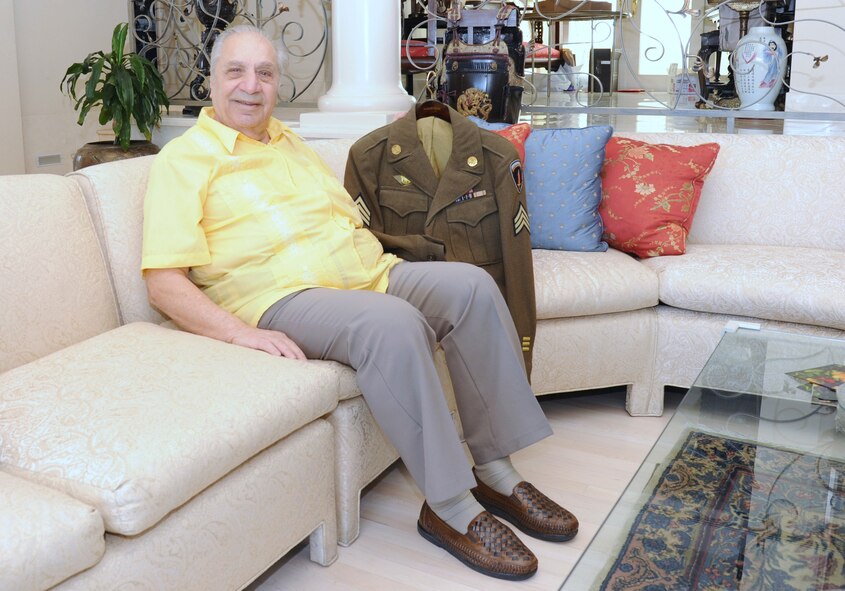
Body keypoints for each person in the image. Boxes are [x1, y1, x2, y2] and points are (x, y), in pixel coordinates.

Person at [141, 24, 577, 581]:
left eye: (265, 73)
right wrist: (239, 334)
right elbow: (163, 281)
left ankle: (494, 468)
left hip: (368, 275)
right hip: (283, 296)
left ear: (278, 85)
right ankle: (449, 506)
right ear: (211, 80)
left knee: (469, 285)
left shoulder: (290, 143)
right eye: (236, 71)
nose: (251, 86)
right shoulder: (184, 160)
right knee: (393, 324)